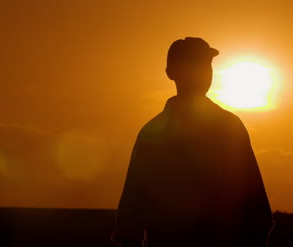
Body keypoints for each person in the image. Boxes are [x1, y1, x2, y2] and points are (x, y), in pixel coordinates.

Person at [111, 37, 274, 247]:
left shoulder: (229, 127)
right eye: (194, 63)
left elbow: (256, 205)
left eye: (206, 64)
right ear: (172, 72)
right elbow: (131, 213)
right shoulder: (152, 135)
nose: (203, 71)